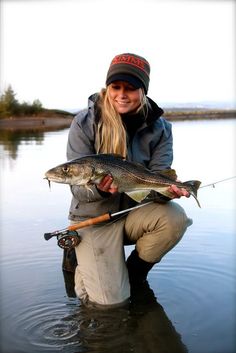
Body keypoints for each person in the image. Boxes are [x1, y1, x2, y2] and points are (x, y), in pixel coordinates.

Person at [65, 53, 192, 308]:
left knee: (175, 217)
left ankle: (134, 276)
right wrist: (101, 192)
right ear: (108, 87)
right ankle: (82, 266)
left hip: (134, 211)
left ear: (142, 91)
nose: (121, 94)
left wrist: (168, 191)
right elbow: (77, 191)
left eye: (130, 88)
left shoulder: (162, 128)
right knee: (111, 306)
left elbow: (158, 175)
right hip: (93, 219)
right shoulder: (84, 123)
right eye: (116, 87)